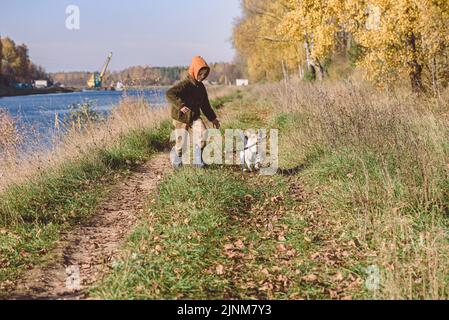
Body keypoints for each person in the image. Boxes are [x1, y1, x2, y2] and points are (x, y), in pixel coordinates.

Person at [166, 55, 221, 168]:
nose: (202, 76)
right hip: (181, 117)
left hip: (194, 116)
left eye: (205, 74)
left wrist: (213, 119)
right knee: (181, 143)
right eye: (200, 73)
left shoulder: (201, 87)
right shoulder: (185, 83)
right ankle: (177, 162)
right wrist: (181, 105)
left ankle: (198, 161)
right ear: (194, 71)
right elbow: (170, 93)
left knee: (203, 133)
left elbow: (205, 105)